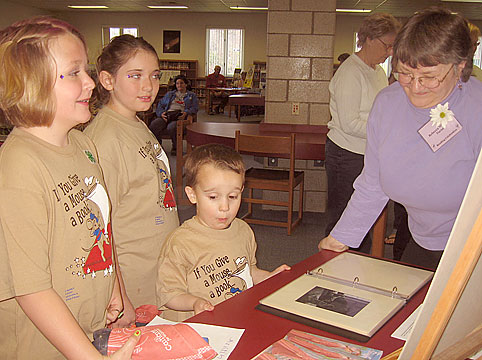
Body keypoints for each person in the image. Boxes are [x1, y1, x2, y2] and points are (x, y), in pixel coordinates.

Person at [0, 17, 139, 359]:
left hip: (85, 329)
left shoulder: (83, 146)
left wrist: (116, 289)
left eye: (86, 70)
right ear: (31, 83)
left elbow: (103, 229)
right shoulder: (20, 165)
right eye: (74, 72)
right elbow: (31, 290)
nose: (90, 83)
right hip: (42, 345)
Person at [318, 8, 482, 270]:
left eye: (429, 77)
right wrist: (342, 237)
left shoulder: (477, 107)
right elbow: (373, 184)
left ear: (460, 65)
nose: (414, 87)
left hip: (473, 244)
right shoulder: (387, 104)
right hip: (423, 240)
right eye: (405, 73)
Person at [84, 35, 180, 313]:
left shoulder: (136, 122)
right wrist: (120, 296)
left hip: (158, 271)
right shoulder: (105, 140)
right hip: (133, 282)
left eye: (154, 75)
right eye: (135, 75)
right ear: (108, 80)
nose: (148, 86)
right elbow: (99, 230)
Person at [156, 144, 291, 321]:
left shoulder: (243, 231)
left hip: (232, 318)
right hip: (193, 328)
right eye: (213, 197)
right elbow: (169, 294)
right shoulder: (180, 242)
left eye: (233, 196)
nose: (225, 207)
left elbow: (247, 270)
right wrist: (195, 302)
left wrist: (269, 277)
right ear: (192, 195)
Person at [324, 13, 401, 254]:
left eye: (392, 46)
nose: (390, 52)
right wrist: (384, 128)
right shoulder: (350, 73)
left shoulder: (377, 71)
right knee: (343, 217)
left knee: (364, 218)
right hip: (346, 154)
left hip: (366, 151)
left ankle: (356, 267)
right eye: (386, 45)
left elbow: (379, 111)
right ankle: (332, 270)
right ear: (368, 39)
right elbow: (349, 124)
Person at [149, 74, 198, 155]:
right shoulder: (170, 94)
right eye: (177, 83)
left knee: (172, 127)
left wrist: (186, 112)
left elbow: (195, 108)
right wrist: (161, 113)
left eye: (181, 83)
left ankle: (175, 147)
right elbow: (160, 105)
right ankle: (158, 146)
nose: (179, 85)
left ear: (186, 84)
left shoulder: (191, 95)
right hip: (167, 115)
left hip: (180, 117)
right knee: (154, 124)